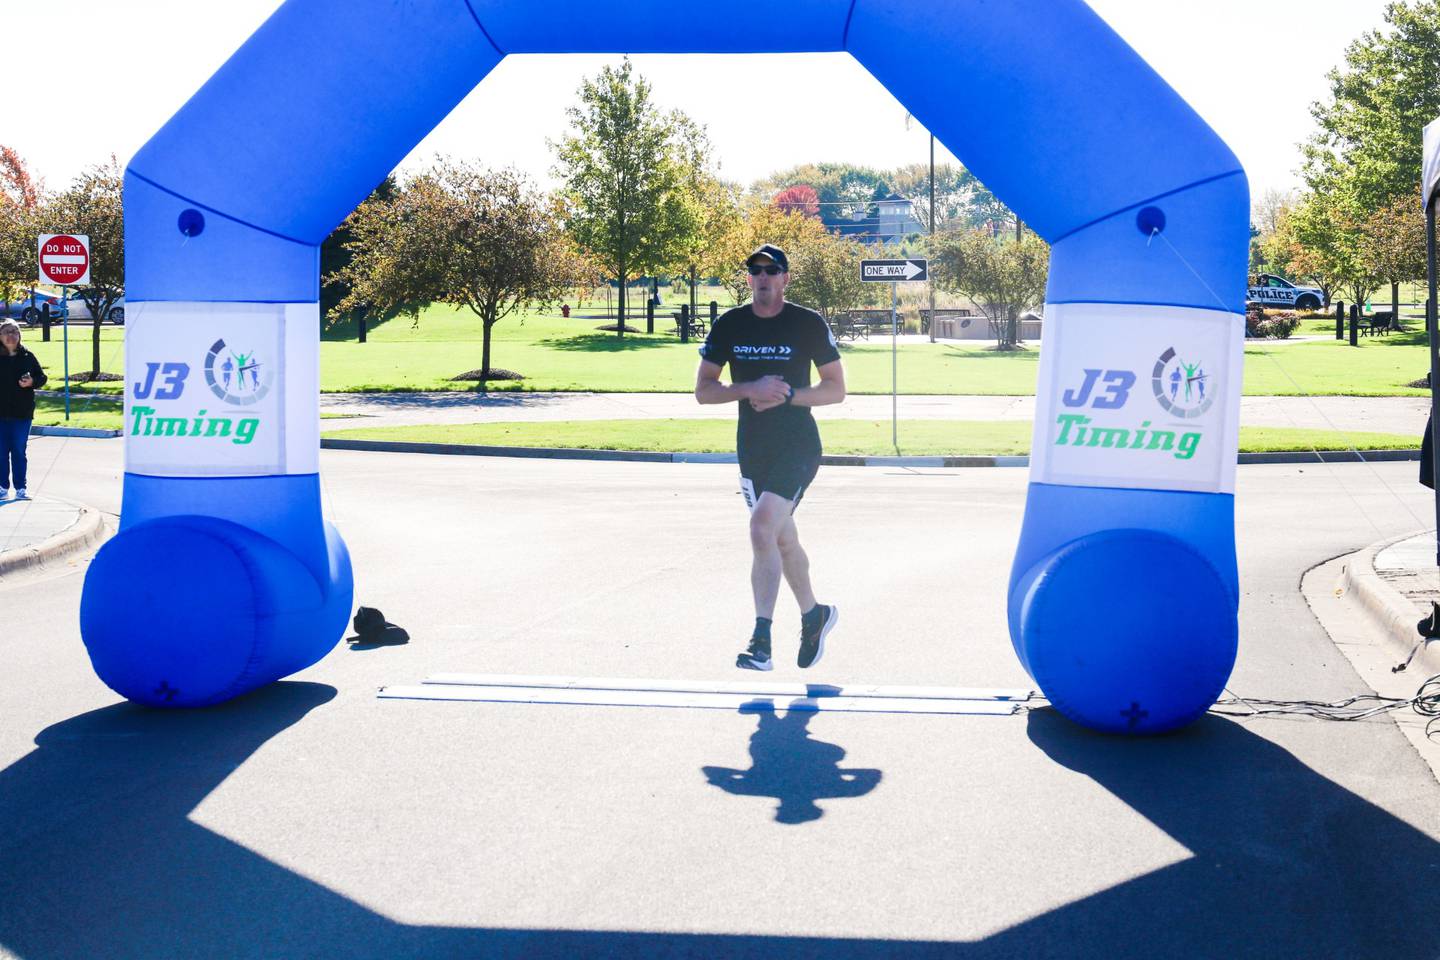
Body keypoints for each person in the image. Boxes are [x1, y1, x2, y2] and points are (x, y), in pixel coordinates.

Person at [695, 244, 845, 670]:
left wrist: (788, 394)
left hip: (798, 445)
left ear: (784, 278)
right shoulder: (731, 324)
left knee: (761, 527)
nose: (762, 277)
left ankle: (761, 642)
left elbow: (835, 388)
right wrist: (748, 389)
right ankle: (814, 615)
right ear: (748, 278)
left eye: (771, 270)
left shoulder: (806, 323)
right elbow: (704, 391)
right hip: (753, 448)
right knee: (781, 538)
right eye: (755, 271)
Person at [0, 318, 47, 501]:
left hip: (22, 413)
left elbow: (42, 377)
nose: (10, 336)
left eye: (14, 332)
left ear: (19, 335)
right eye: (6, 332)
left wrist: (32, 382)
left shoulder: (28, 356)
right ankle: (2, 487)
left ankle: (21, 488)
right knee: (1, 451)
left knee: (19, 450)